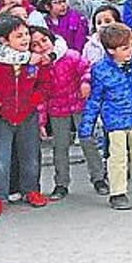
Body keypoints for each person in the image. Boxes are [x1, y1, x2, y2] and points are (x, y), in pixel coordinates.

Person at [0, 15, 51, 217]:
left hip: (28, 115)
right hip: (1, 117)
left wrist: (32, 102)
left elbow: (44, 85)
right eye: (19, 36)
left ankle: (31, 190)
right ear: (3, 40)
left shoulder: (35, 60)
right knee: (1, 158)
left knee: (31, 155)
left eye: (26, 34)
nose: (25, 39)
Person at [81, 23, 132, 210]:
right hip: (114, 120)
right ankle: (118, 191)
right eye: (124, 48)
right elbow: (94, 99)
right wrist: (86, 126)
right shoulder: (100, 69)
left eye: (131, 46)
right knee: (117, 156)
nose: (130, 51)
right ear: (110, 50)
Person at [30, 26, 104, 199]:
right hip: (57, 109)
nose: (42, 46)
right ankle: (61, 183)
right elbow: (39, 97)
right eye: (35, 45)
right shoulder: (37, 67)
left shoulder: (69, 55)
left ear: (51, 39)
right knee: (60, 146)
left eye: (44, 40)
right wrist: (41, 122)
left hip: (79, 103)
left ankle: (99, 177)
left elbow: (86, 69)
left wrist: (85, 82)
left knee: (88, 141)